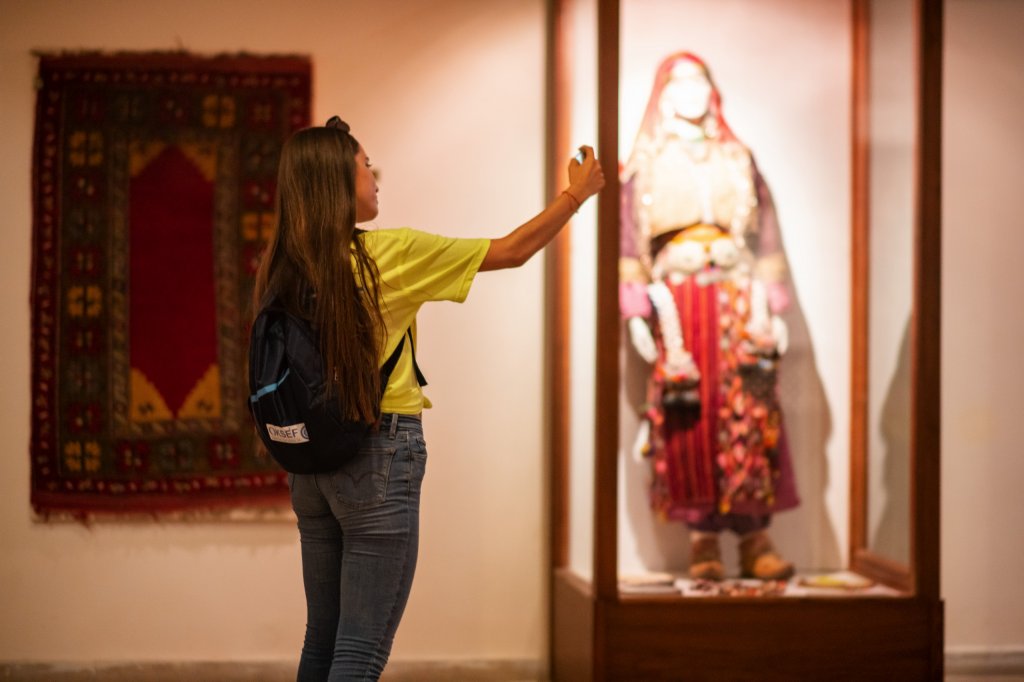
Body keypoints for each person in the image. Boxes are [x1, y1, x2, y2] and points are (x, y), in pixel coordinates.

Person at [251, 116, 604, 681]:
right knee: (360, 651)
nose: (375, 177)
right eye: (366, 166)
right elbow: (512, 251)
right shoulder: (387, 255)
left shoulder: (284, 266)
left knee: (323, 640)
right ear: (339, 182)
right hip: (377, 456)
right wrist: (575, 196)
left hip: (309, 468)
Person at [620, 52, 799, 582]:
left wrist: (775, 302)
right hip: (678, 301)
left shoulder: (737, 158)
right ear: (665, 94)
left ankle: (754, 536)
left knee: (751, 407)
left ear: (712, 90)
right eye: (680, 83)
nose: (691, 92)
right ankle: (702, 541)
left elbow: (766, 231)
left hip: (738, 296)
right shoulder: (646, 164)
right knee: (686, 411)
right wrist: (635, 309)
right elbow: (627, 239)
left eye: (699, 81)